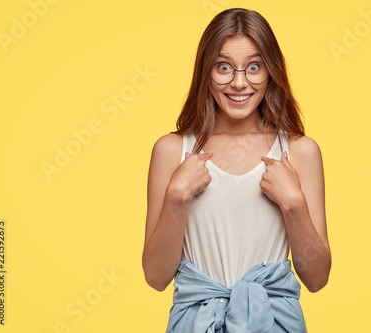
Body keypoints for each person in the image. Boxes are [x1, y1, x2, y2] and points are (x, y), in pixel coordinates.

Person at [142, 8, 331, 332]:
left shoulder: (299, 152)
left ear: (271, 71)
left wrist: (294, 204)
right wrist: (176, 197)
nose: (239, 82)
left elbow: (317, 278)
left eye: (254, 67)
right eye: (224, 67)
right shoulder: (172, 151)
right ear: (206, 71)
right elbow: (156, 277)